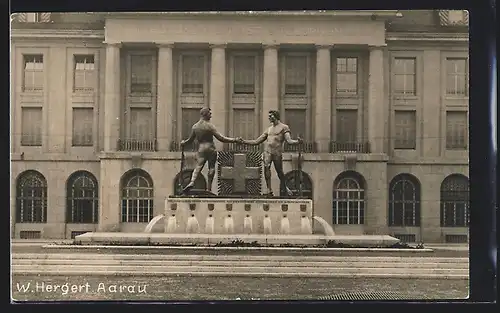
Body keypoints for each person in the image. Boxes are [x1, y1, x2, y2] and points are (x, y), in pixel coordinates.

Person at [239, 110, 302, 196]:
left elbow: (289, 140)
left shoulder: (284, 127)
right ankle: (269, 190)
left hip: (277, 152)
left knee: (279, 172)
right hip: (267, 152)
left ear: (275, 116)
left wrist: (297, 142)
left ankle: (285, 188)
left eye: (270, 116)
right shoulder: (268, 129)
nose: (269, 118)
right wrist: (244, 142)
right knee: (266, 167)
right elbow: (257, 141)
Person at [180, 107, 241, 193]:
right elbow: (221, 138)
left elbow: (190, 140)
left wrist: (183, 143)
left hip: (201, 149)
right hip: (210, 148)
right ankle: (209, 188)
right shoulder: (209, 126)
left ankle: (192, 182)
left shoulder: (195, 127)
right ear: (205, 114)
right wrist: (234, 140)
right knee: (211, 168)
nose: (211, 115)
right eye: (210, 113)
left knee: (198, 166)